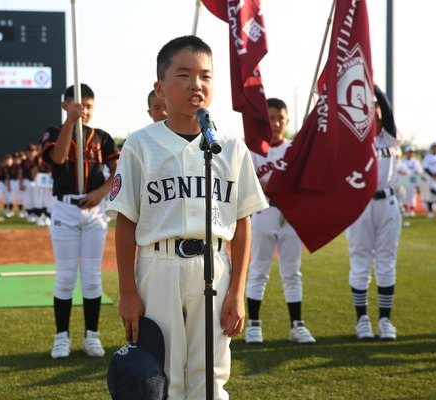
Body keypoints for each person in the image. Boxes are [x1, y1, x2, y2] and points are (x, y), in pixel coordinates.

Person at [106, 35, 268, 399]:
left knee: (211, 374)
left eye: (206, 76)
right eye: (183, 74)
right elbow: (125, 220)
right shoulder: (140, 143)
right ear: (159, 88)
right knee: (163, 373)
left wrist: (238, 291)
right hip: (159, 265)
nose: (196, 84)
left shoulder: (230, 146)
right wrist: (127, 291)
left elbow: (242, 221)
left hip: (215, 264)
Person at [41, 83, 120, 359]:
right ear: (65, 105)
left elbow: (119, 172)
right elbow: (59, 157)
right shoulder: (53, 132)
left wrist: (100, 192)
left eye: (88, 106)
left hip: (94, 211)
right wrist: (70, 122)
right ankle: (61, 336)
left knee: (91, 278)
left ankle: (92, 336)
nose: (84, 110)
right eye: (78, 105)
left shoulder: (102, 137)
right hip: (65, 208)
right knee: (64, 277)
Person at [244, 98, 316, 345]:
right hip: (263, 213)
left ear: (287, 121)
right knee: (258, 270)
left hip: (290, 216)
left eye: (280, 118)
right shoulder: (254, 149)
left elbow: (304, 180)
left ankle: (297, 325)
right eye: (271, 117)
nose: (275, 123)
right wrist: (276, 186)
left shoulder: (294, 149)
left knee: (292, 272)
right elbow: (251, 183)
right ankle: (254, 324)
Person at [346, 86, 401, 341]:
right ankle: (362, 321)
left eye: (378, 116)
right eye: (371, 116)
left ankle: (385, 321)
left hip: (387, 204)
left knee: (386, 263)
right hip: (360, 204)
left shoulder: (390, 137)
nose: (376, 119)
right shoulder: (356, 140)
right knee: (360, 263)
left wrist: (374, 87)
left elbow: (388, 112)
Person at [400, 146, 423, 217]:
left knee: (413, 196)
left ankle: (412, 210)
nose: (410, 154)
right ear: (406, 153)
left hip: (413, 179)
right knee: (404, 195)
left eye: (412, 152)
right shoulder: (402, 161)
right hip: (405, 180)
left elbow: (419, 171)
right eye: (409, 152)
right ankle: (405, 210)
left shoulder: (415, 162)